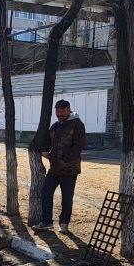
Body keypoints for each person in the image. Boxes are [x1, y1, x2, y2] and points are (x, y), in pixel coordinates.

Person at [32, 99, 86, 233]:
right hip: (54, 169)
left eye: (62, 111)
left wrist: (64, 158)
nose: (60, 114)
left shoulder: (77, 124)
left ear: (68, 110)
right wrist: (45, 150)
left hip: (69, 169)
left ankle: (64, 224)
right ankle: (47, 222)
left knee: (66, 198)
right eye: (57, 111)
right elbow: (47, 140)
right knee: (46, 192)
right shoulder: (55, 126)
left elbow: (79, 145)